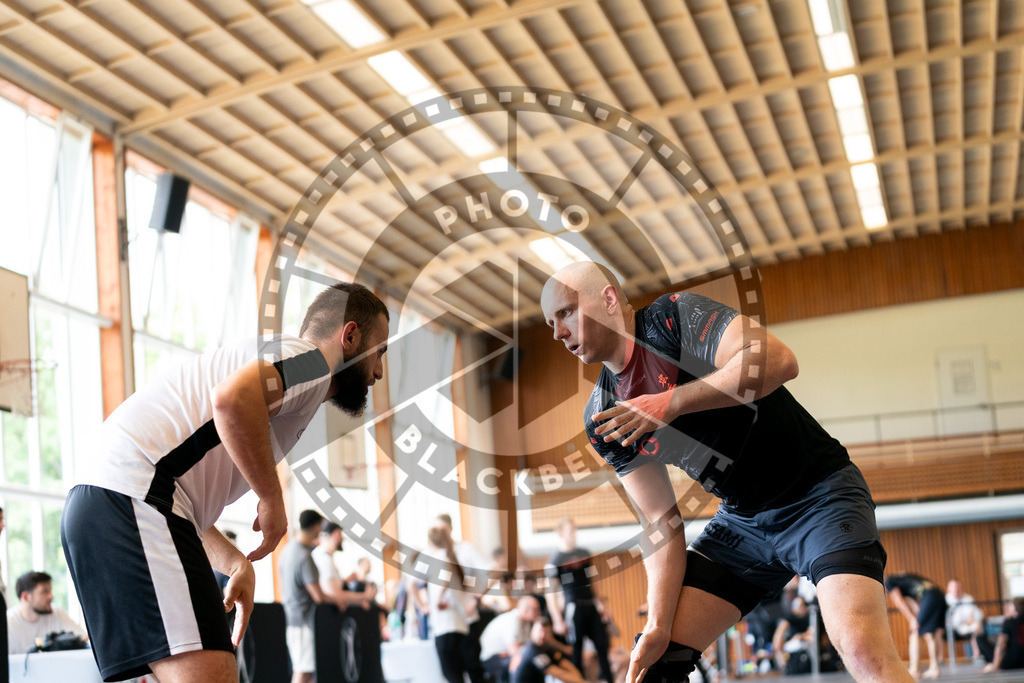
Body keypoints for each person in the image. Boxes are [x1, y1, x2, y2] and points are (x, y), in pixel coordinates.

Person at [539, 262, 910, 683]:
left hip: (819, 496)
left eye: (566, 312)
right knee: (657, 664)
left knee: (863, 651)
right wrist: (658, 624)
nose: (558, 333)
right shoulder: (604, 415)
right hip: (743, 525)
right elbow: (659, 519)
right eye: (551, 323)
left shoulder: (672, 320)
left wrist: (669, 403)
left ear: (608, 299)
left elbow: (779, 360)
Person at [61, 282, 389, 683]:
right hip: (134, 498)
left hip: (106, 503)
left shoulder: (277, 360)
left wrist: (233, 561)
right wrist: (272, 498)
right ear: (349, 336)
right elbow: (233, 399)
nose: (379, 372)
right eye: (379, 351)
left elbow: (177, 486)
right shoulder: (313, 363)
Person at [544, 517, 613, 683]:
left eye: (574, 530)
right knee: (577, 649)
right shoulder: (555, 560)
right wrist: (557, 619)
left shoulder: (584, 553)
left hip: (590, 604)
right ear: (561, 534)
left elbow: (592, 582)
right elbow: (550, 592)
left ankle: (608, 679)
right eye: (570, 531)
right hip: (573, 607)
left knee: (602, 645)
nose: (574, 534)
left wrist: (601, 604)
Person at [280, 509, 329, 683]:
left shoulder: (287, 550)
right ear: (316, 527)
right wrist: (339, 599)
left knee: (306, 671)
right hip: (303, 621)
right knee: (304, 671)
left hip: (292, 619)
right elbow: (318, 596)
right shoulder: (303, 555)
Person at [7, 571, 87, 654]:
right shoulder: (8, 623)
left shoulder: (57, 613)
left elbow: (85, 640)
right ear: (26, 597)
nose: (51, 596)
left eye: (50, 591)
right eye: (45, 591)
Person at [885, 573, 946, 678]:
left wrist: (912, 619)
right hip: (938, 594)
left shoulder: (889, 581)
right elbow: (915, 604)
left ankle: (914, 669)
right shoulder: (901, 579)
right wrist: (918, 618)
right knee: (929, 634)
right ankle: (934, 668)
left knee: (914, 633)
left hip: (929, 595)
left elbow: (899, 602)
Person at [312, 522, 375, 609]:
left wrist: (345, 581)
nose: (342, 539)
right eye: (341, 535)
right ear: (336, 534)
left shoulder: (325, 556)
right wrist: (365, 596)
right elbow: (335, 594)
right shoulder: (324, 559)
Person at [479, 596, 542, 682]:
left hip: (506, 655)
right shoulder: (511, 620)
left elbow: (527, 647)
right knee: (524, 663)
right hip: (493, 658)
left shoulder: (526, 622)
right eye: (535, 609)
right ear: (525, 610)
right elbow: (514, 650)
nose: (539, 612)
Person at [512, 617, 585, 683]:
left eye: (546, 632)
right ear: (532, 631)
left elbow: (566, 665)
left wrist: (580, 679)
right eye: (539, 631)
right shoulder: (531, 651)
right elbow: (559, 674)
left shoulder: (547, 648)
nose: (542, 635)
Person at [946, 578, 985, 663]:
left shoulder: (968, 599)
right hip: (950, 627)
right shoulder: (945, 600)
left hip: (966, 625)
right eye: (954, 588)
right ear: (949, 589)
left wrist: (973, 620)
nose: (956, 590)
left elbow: (974, 613)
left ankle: (977, 655)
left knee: (977, 626)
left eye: (958, 588)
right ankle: (940, 659)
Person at [983, 596, 1024, 674]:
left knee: (980, 638)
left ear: (1014, 608)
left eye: (1010, 606)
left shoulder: (1009, 622)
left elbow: (1001, 645)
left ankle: (991, 665)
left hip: (1012, 663)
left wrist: (995, 666)